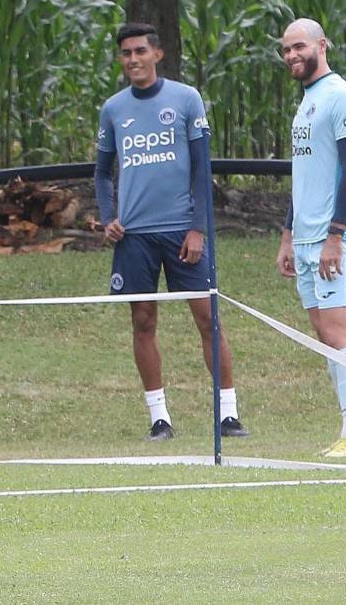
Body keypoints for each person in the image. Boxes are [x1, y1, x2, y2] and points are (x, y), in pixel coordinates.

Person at [95, 22, 247, 441]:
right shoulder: (113, 109)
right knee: (143, 322)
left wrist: (198, 228)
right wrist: (109, 216)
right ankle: (159, 418)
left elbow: (202, 169)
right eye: (126, 53)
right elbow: (102, 172)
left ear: (157, 54)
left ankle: (228, 414)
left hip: (183, 231)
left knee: (207, 318)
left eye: (140, 51)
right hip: (135, 238)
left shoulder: (185, 99)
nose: (133, 60)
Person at [275, 18, 346, 458]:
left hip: (339, 237)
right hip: (305, 238)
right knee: (321, 331)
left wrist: (335, 235)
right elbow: (305, 175)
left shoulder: (342, 97)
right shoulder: (307, 101)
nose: (292, 55)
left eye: (299, 47)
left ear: (321, 45)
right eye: (286, 50)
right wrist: (287, 235)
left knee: (338, 331)